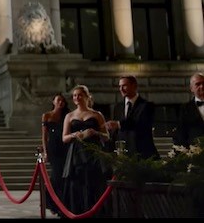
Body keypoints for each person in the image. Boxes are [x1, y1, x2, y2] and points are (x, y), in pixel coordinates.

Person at [61, 85, 110, 216]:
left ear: (87, 97)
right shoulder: (69, 116)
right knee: (78, 184)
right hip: (77, 154)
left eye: (80, 95)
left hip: (94, 153)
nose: (77, 98)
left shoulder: (97, 115)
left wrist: (95, 132)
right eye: (74, 95)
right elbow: (64, 138)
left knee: (95, 182)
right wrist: (74, 135)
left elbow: (107, 137)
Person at [105, 75, 159, 160]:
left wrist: (118, 124)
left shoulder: (146, 106)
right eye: (120, 86)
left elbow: (139, 123)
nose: (121, 89)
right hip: (124, 154)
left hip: (143, 154)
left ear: (134, 86)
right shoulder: (118, 107)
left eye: (124, 86)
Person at [41, 93, 70, 216]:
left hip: (65, 147)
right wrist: (45, 151)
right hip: (53, 148)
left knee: (63, 176)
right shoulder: (46, 116)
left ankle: (63, 204)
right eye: (58, 100)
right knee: (56, 175)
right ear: (53, 101)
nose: (61, 103)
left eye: (63, 101)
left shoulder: (67, 115)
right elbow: (44, 136)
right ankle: (53, 203)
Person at [173, 72, 204, 148]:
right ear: (191, 88)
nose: (202, 86)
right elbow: (181, 133)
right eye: (198, 84)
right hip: (196, 155)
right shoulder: (185, 109)